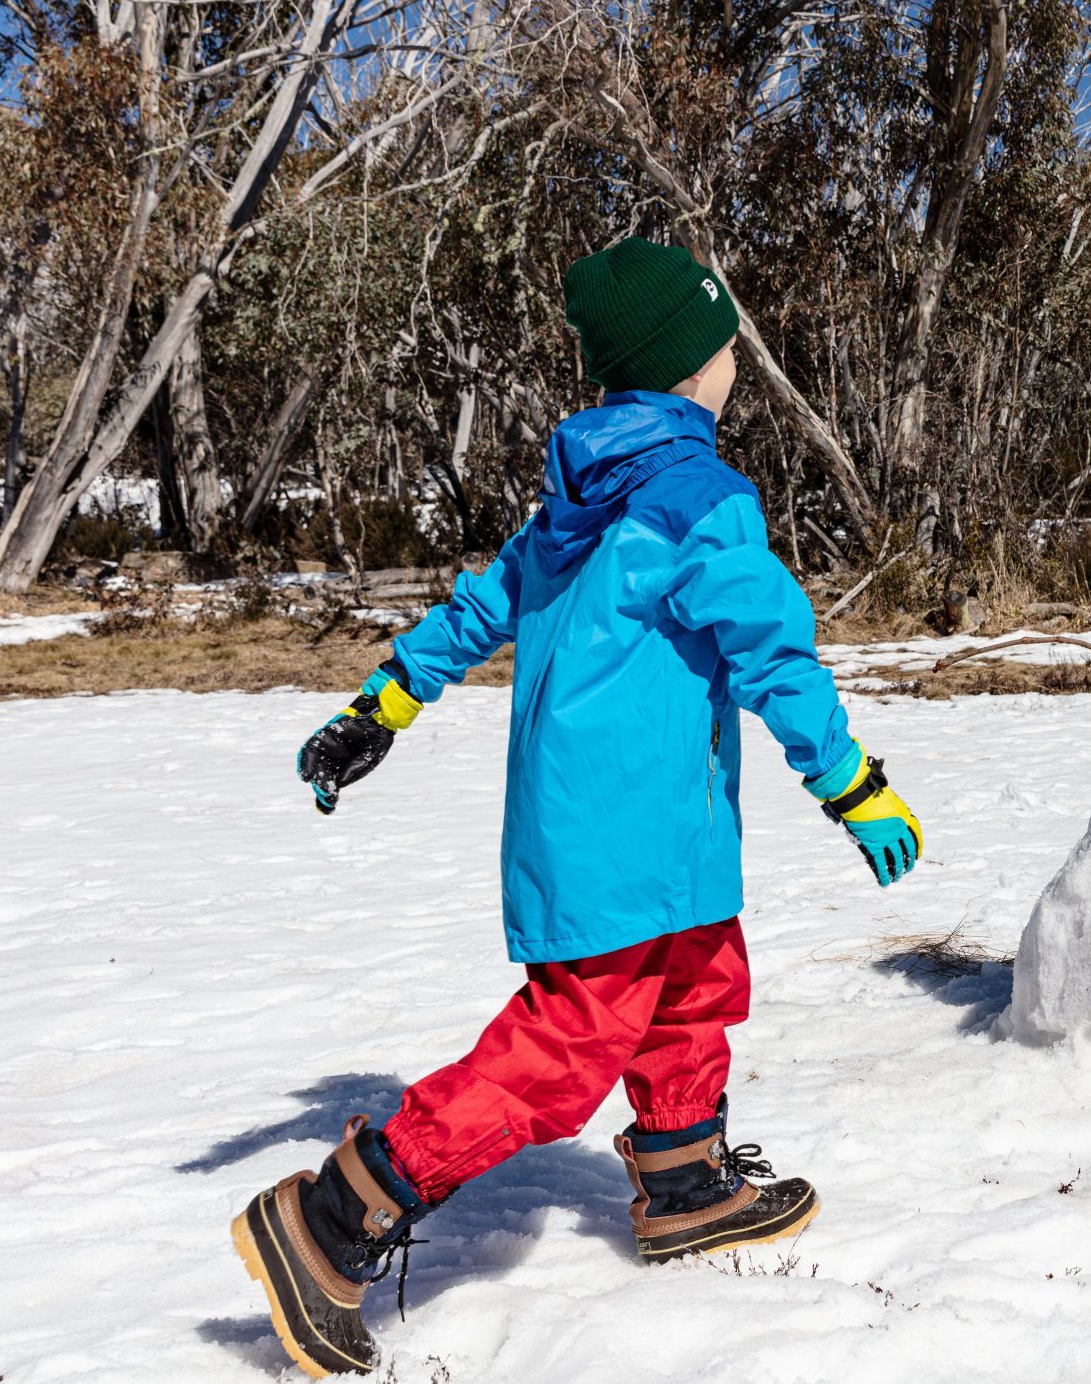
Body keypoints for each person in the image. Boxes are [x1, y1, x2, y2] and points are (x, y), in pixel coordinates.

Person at [232, 235, 923, 1377]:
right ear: (696, 365)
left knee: (698, 979)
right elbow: (774, 652)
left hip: (671, 832)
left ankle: (685, 1181)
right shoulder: (695, 501)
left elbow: (471, 610)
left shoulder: (578, 503)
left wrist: (382, 705)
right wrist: (849, 781)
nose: (734, 360)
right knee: (566, 1046)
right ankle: (333, 1221)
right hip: (614, 835)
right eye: (726, 344)